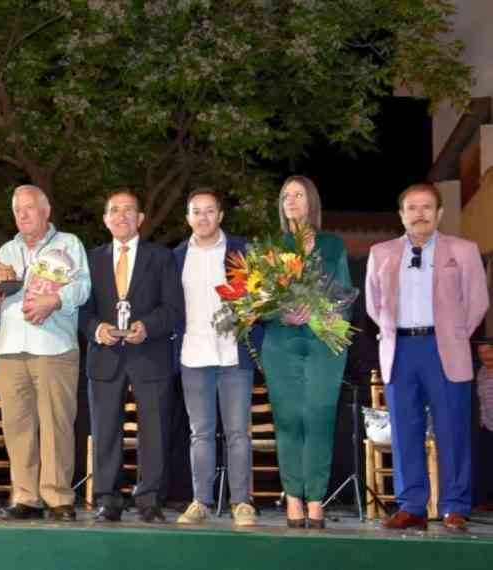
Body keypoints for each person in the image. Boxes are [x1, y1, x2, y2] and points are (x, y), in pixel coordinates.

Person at [366, 183, 488, 531]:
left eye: (427, 207)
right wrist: (394, 330)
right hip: (400, 349)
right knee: (404, 430)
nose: (419, 214)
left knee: (452, 430)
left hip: (444, 348)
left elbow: (477, 302)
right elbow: (375, 305)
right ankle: (411, 506)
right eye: (412, 208)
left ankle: (454, 506)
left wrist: (452, 334)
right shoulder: (381, 252)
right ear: (401, 215)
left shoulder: (463, 251)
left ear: (439, 214)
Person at [0, 184, 91, 522]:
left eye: (29, 208)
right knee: (17, 427)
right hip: (10, 348)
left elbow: (83, 286)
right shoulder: (5, 250)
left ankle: (58, 496)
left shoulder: (69, 243)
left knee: (56, 424)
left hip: (54, 348)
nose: (23, 214)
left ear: (46, 211)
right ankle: (26, 496)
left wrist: (55, 300)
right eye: (17, 210)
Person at [80, 190, 183, 523]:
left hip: (149, 354)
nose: (121, 215)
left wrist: (146, 327)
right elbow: (80, 310)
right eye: (114, 210)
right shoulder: (91, 259)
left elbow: (173, 309)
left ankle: (149, 498)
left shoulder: (162, 258)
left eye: (128, 210)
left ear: (140, 219)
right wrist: (97, 329)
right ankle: (107, 498)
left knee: (154, 430)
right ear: (105, 219)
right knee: (105, 430)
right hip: (105, 355)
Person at [260, 175, 352, 529]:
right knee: (286, 420)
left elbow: (344, 296)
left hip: (323, 341)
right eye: (286, 196)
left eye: (298, 195)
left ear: (311, 201)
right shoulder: (273, 246)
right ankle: (293, 499)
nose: (292, 201)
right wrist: (279, 311)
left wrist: (315, 313)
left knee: (318, 419)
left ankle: (316, 498)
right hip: (280, 343)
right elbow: (257, 301)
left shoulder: (332, 245)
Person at [173, 188, 261, 527]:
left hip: (233, 355)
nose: (204, 217)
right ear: (188, 218)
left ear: (220, 215)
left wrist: (251, 315)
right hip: (193, 355)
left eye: (210, 211)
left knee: (238, 432)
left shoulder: (242, 251)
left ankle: (242, 502)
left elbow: (260, 298)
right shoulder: (177, 256)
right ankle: (201, 502)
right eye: (196, 211)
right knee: (200, 433)